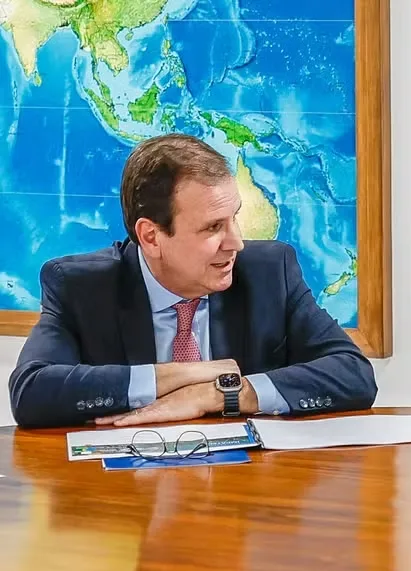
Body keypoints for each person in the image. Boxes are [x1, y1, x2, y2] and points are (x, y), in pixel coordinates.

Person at [10, 133, 377, 428]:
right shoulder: (80, 287)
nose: (236, 242)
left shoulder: (269, 271)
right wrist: (178, 376)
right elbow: (31, 393)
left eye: (234, 217)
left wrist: (221, 393)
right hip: (129, 498)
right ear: (151, 237)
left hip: (245, 496)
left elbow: (353, 374)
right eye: (214, 227)